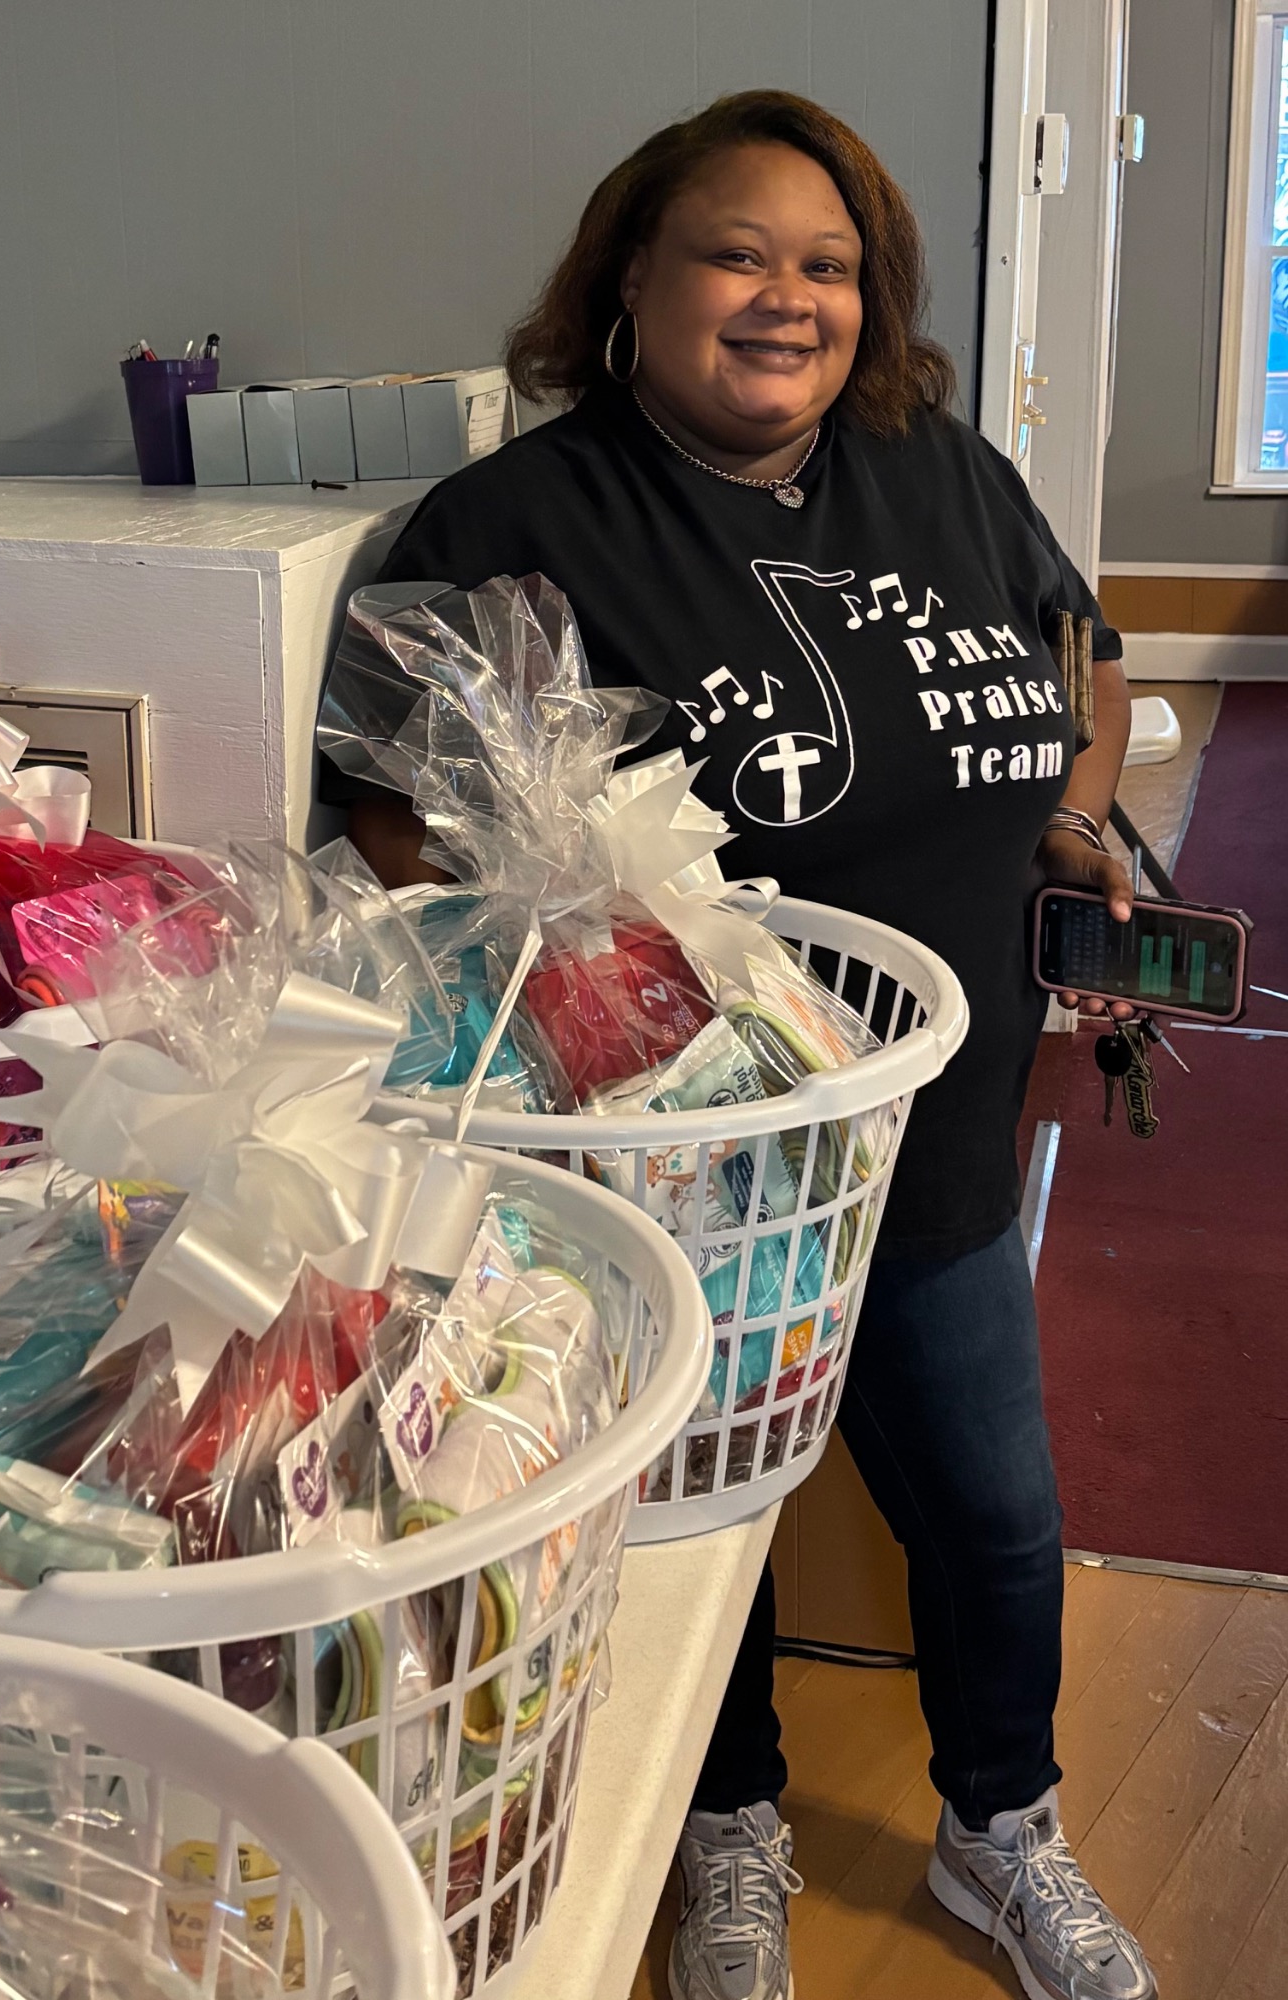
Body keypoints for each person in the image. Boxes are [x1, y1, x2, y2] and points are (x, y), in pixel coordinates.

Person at [325, 90, 1155, 2000]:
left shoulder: (941, 472)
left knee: (997, 1520)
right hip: (673, 1160)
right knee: (704, 1544)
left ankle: (1002, 1830)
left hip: (928, 1126)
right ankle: (729, 1836)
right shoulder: (513, 527)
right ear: (632, 276)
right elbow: (392, 832)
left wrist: (1071, 818)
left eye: (830, 265)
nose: (789, 297)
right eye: (737, 252)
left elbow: (1083, 657)